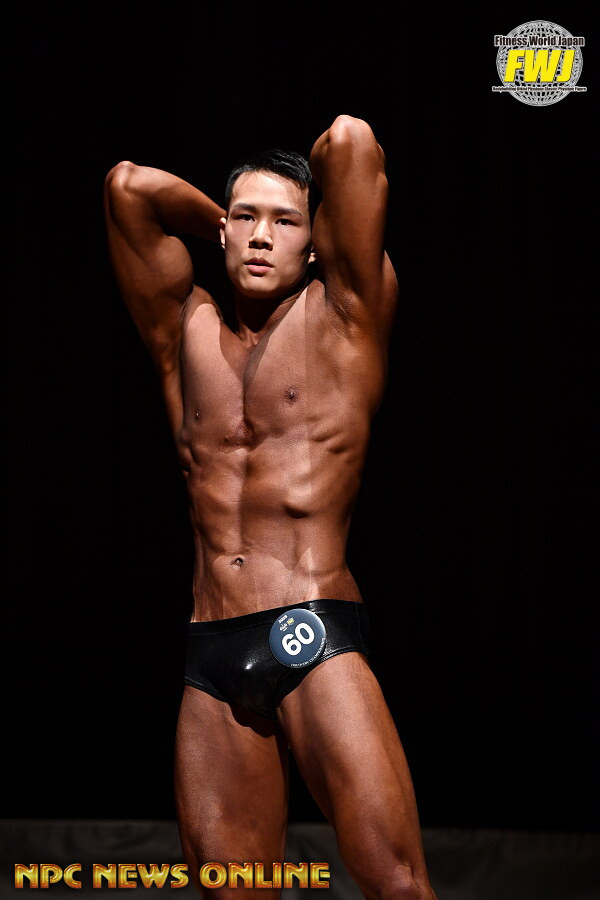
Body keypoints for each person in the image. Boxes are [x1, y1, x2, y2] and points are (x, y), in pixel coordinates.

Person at [104, 115, 437, 900]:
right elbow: (127, 188)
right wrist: (223, 220)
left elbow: (349, 141)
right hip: (211, 651)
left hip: (312, 631)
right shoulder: (183, 330)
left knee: (395, 882)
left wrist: (291, 213)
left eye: (284, 222)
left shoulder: (348, 312)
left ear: (316, 239)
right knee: (236, 892)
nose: (260, 237)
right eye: (245, 219)